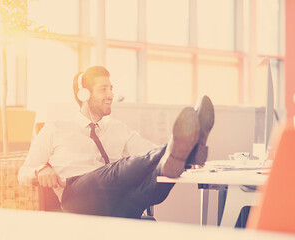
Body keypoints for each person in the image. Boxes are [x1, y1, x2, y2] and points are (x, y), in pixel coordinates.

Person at [18, 65, 215, 218]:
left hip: (115, 201)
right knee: (119, 168)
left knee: (157, 176)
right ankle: (187, 149)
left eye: (111, 89)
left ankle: (185, 155)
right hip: (77, 196)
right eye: (103, 89)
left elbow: (149, 153)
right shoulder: (55, 128)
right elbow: (23, 173)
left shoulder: (117, 128)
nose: (111, 95)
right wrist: (40, 170)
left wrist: (176, 156)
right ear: (84, 94)